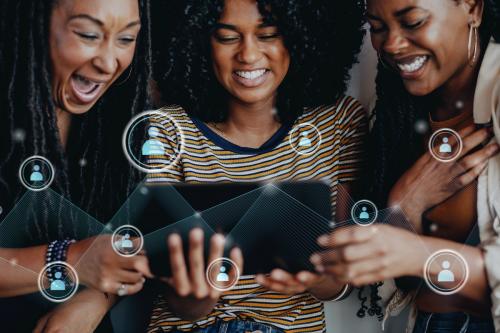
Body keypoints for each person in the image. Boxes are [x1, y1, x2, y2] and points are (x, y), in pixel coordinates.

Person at [147, 0, 366, 332]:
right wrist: (200, 296)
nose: (248, 55)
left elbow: (342, 281)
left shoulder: (337, 122)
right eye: (227, 37)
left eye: (268, 34)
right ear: (199, 40)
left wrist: (314, 279)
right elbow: (174, 297)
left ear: (301, 36)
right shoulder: (166, 131)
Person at [311, 0, 500, 332]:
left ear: (473, 8)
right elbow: (407, 280)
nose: (392, 44)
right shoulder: (397, 118)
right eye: (378, 28)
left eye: (412, 22)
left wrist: (419, 253)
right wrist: (404, 204)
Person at [0, 0, 153, 331]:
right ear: (34, 24)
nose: (109, 62)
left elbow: (142, 239)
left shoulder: (124, 121)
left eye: (126, 39)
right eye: (88, 34)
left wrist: (97, 296)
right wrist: (66, 261)